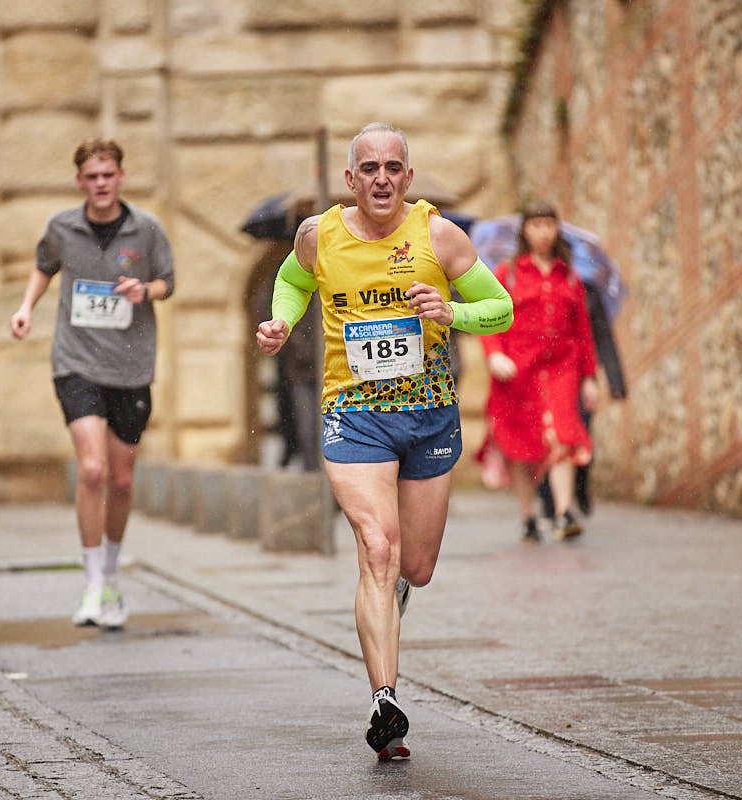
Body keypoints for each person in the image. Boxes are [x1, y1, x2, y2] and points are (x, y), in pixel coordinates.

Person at [255, 122, 512, 761]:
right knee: (378, 546)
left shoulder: (438, 235)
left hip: (428, 414)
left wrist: (454, 313)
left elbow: (502, 308)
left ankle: (389, 601)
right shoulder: (319, 237)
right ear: (349, 180)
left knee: (414, 568)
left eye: (393, 168)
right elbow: (292, 283)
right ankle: (385, 701)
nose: (380, 179)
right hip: (354, 413)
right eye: (368, 168)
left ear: (408, 178)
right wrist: (282, 322)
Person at [9, 138, 175, 630]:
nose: (101, 184)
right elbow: (44, 266)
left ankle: (111, 573)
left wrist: (145, 290)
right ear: (80, 181)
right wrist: (24, 309)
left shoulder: (145, 229)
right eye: (92, 176)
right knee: (94, 470)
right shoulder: (63, 227)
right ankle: (91, 583)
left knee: (122, 479)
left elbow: (169, 279)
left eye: (108, 175)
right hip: (75, 361)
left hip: (130, 366)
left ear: (121, 176)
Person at [478, 201, 599, 541]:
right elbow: (488, 318)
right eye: (536, 225)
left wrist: (589, 377)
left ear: (557, 230)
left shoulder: (570, 276)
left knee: (562, 434)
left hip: (562, 368)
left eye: (549, 225)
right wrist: (493, 356)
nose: (543, 232)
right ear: (525, 231)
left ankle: (562, 513)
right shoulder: (508, 273)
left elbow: (583, 331)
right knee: (521, 445)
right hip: (517, 371)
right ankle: (528, 516)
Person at [538, 271, 627, 518]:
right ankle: (550, 500)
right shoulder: (540, 289)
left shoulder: (586, 291)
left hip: (579, 376)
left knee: (581, 434)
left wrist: (614, 380)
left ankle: (580, 486)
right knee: (550, 437)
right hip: (546, 376)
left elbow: (601, 336)